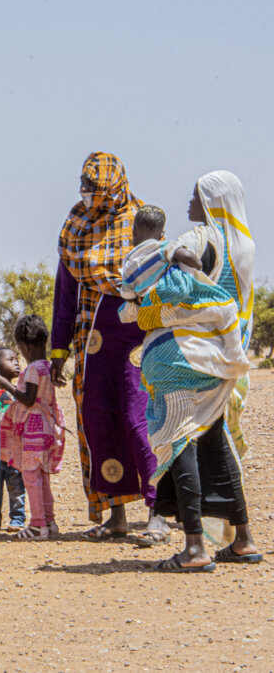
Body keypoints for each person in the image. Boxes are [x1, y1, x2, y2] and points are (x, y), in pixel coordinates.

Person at [123, 186, 259, 570]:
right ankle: (244, 540)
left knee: (177, 442)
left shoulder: (194, 239)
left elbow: (170, 293)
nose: (190, 200)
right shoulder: (243, 247)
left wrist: (141, 310)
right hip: (221, 357)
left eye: (197, 194)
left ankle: (196, 548)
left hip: (180, 354)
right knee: (215, 442)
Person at [51, 151, 168, 544]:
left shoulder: (140, 222)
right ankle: (115, 513)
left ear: (114, 187)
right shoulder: (75, 227)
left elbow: (160, 278)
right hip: (92, 343)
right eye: (83, 185)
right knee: (99, 421)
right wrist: (58, 349)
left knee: (142, 421)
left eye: (95, 188)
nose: (86, 193)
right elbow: (65, 293)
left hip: (138, 342)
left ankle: (158, 512)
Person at [0, 316, 65, 540]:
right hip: (47, 428)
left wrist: (6, 384)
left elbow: (28, 399)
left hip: (34, 431)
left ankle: (37, 524)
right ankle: (49, 520)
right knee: (42, 476)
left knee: (30, 477)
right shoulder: (47, 366)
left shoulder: (33, 369)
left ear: (24, 346)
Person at [0, 347, 26, 534]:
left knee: (17, 488)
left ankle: (18, 519)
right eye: (10, 359)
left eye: (17, 358)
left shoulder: (19, 391)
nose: (16, 363)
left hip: (14, 451)